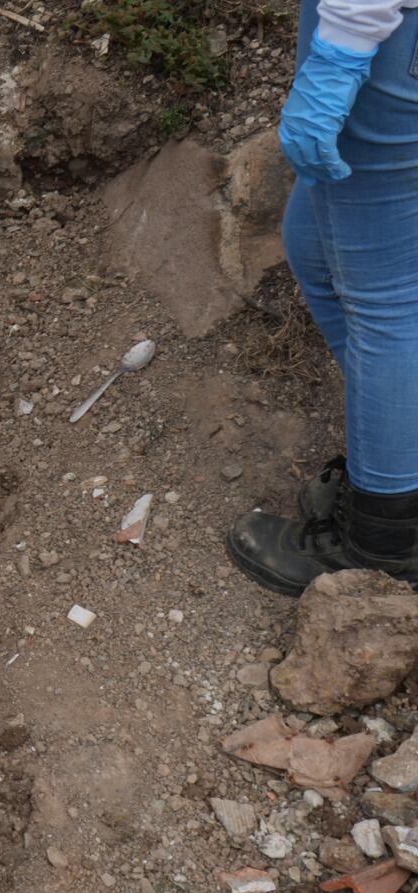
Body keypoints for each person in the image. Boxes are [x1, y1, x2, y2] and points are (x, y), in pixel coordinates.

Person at [226, 0, 418, 594]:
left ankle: (387, 543)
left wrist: (342, 46)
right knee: (312, 244)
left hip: (384, 30)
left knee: (383, 300)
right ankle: (403, 464)